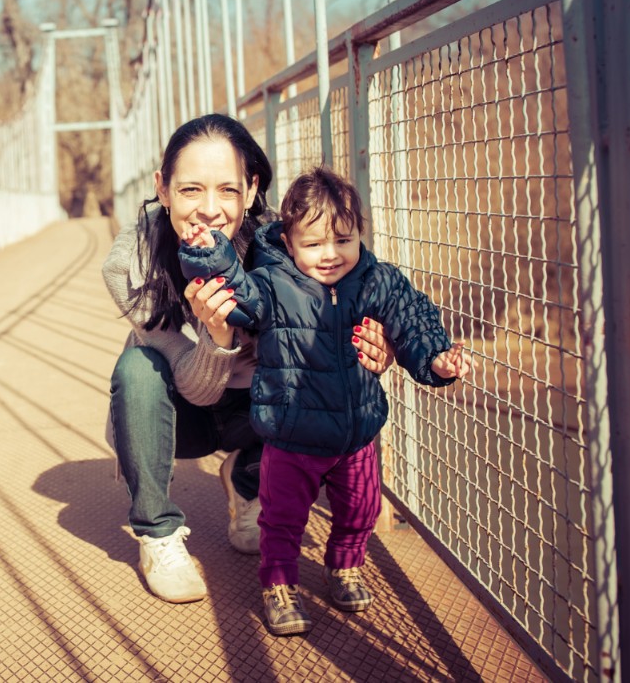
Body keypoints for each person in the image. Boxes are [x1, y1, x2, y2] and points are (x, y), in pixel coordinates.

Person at [102, 115, 396, 604]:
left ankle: (247, 477)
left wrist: (374, 345)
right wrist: (217, 339)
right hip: (184, 413)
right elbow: (199, 389)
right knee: (137, 369)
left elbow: (342, 323)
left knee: (303, 368)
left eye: (228, 190)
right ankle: (157, 536)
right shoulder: (131, 262)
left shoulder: (286, 251)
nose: (210, 211)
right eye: (191, 189)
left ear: (253, 187)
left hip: (258, 412)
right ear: (163, 188)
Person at [178, 165, 471, 635]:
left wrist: (435, 358)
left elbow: (412, 318)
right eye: (313, 245)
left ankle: (345, 566)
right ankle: (278, 584)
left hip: (356, 433)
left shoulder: (376, 279)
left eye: (344, 240)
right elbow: (237, 295)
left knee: (361, 509)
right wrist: (206, 253)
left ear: (359, 234)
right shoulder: (274, 283)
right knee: (283, 518)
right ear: (289, 243)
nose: (331, 255)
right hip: (291, 434)